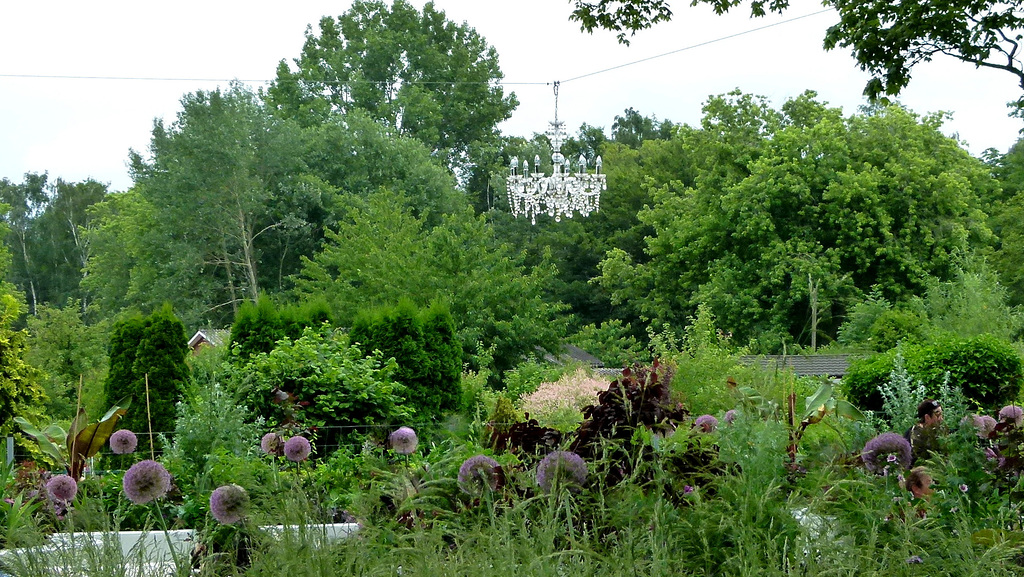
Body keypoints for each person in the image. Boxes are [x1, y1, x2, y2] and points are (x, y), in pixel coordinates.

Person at [904, 399, 944, 465]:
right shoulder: (913, 435)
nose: (941, 419)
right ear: (927, 417)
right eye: (938, 414)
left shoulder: (937, 431)